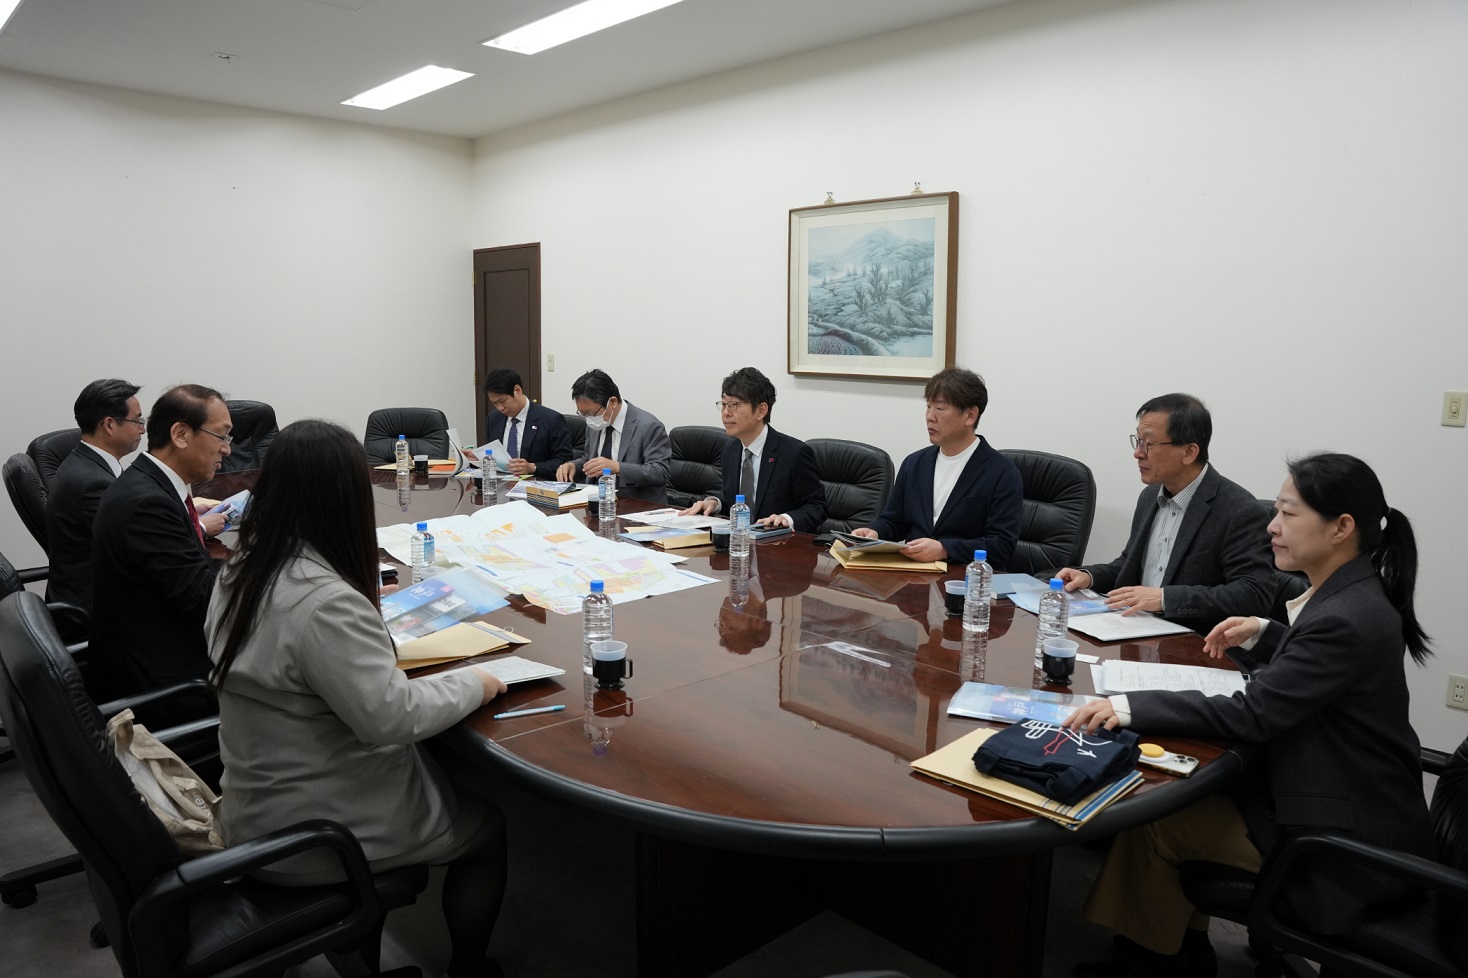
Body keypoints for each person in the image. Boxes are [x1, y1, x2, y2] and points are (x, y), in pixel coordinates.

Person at [1065, 453, 1433, 978]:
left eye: (1288, 513)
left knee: (1159, 822)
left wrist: (1128, 705)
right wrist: (1268, 632)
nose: (1272, 527)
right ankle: (1178, 950)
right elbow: (1321, 671)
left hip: (1339, 847)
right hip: (1360, 804)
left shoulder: (1346, 618)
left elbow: (1255, 713)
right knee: (1179, 800)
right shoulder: (1354, 593)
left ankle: (1157, 961)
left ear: (1341, 528)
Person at [206, 419, 510, 978]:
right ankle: (470, 969)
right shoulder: (326, 602)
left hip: (254, 802)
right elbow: (391, 717)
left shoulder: (241, 568)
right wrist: (478, 682)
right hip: (319, 829)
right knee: (487, 828)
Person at [1056, 393, 1273, 633]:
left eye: (1149, 444)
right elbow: (1131, 564)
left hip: (1193, 643)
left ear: (1189, 452)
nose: (1138, 453)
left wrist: (1165, 599)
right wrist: (1089, 577)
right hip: (1134, 632)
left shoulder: (1239, 511)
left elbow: (1254, 594)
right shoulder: (1150, 496)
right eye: (1138, 441)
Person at [88, 384, 233, 711]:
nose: (227, 449)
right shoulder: (147, 503)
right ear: (181, 434)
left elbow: (192, 574)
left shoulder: (150, 484)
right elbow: (203, 600)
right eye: (221, 436)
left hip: (153, 649)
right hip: (159, 683)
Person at [851, 367, 1022, 566]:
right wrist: (875, 533)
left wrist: (945, 549)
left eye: (940, 409)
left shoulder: (1002, 473)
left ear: (970, 415)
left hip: (964, 577)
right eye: (928, 407)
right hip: (913, 574)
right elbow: (894, 520)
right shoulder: (914, 463)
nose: (930, 417)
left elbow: (1002, 544)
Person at [680, 367, 826, 532]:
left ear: (761, 411)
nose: (726, 413)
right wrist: (714, 503)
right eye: (724, 404)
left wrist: (786, 519)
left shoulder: (794, 453)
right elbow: (737, 499)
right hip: (740, 540)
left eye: (734, 405)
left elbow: (817, 507)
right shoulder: (730, 450)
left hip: (779, 542)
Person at [45, 378, 145, 613]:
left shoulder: (89, 463)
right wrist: (199, 527)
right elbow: (138, 547)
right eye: (137, 420)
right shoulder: (93, 483)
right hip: (93, 609)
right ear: (109, 425)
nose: (143, 428)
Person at [554, 368, 671, 504]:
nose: (588, 419)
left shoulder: (649, 426)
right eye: (583, 414)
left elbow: (660, 472)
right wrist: (574, 466)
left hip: (638, 505)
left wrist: (616, 467)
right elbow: (590, 459)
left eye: (590, 413)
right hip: (599, 503)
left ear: (613, 402)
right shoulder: (596, 423)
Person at [482, 367, 573, 479]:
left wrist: (532, 467)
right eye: (495, 403)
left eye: (502, 401)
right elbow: (492, 455)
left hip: (536, 485)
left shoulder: (552, 420)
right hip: (501, 484)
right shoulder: (494, 418)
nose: (500, 408)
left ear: (517, 390)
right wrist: (474, 458)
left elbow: (564, 461)